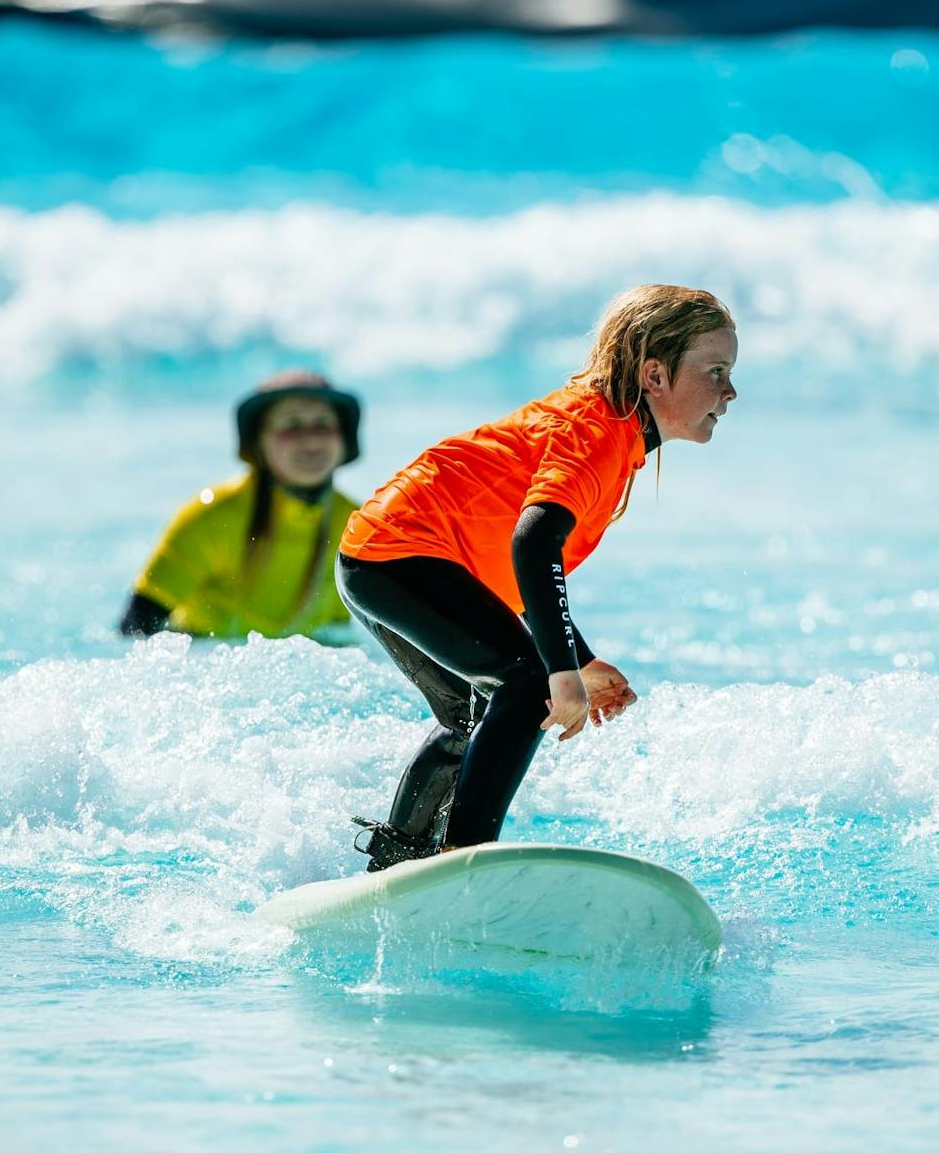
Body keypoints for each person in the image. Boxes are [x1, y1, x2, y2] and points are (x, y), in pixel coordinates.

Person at [336, 285, 738, 870]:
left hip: (377, 557)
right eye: (716, 370)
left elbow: (516, 573)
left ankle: (398, 860)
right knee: (523, 686)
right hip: (404, 552)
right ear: (655, 374)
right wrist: (559, 672)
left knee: (472, 716)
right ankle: (463, 859)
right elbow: (533, 542)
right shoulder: (601, 432)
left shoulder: (607, 428)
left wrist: (580, 657)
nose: (729, 391)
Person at [120, 371, 362, 642]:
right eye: (292, 426)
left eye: (322, 424)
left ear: (344, 438)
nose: (310, 440)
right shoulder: (210, 518)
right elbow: (133, 631)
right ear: (258, 441)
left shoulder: (357, 528)